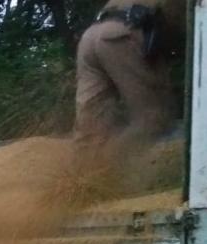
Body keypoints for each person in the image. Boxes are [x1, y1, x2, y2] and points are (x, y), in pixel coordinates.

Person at [74, 0, 185, 145]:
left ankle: (88, 163)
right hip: (124, 34)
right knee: (154, 120)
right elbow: (187, 22)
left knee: (91, 129)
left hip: (90, 37)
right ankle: (124, 159)